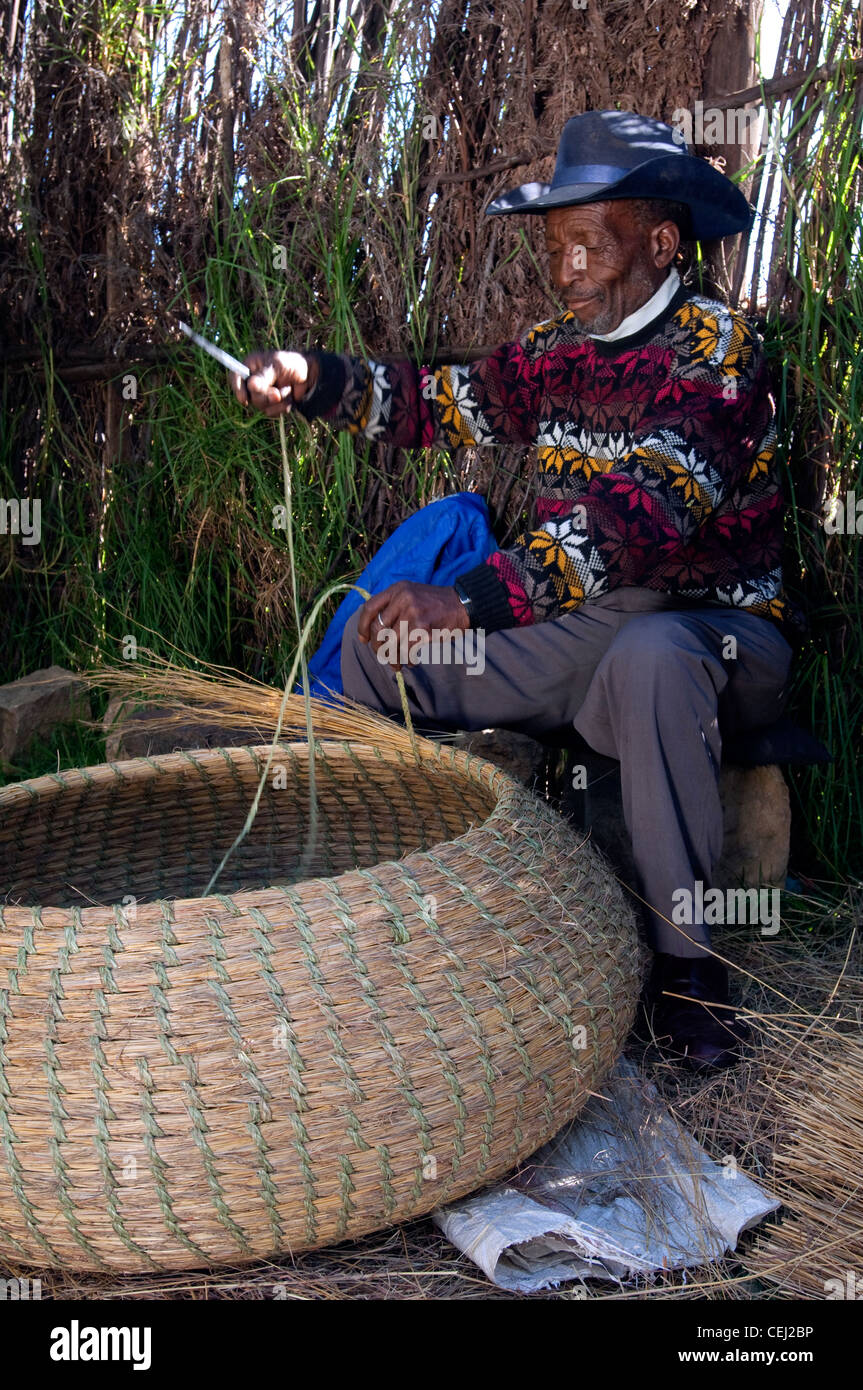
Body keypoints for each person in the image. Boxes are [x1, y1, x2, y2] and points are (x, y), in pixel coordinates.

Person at [233, 109, 799, 1071]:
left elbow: (637, 517)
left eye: (589, 244)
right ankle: (385, 919)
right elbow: (439, 405)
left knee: (650, 652)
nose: (566, 270)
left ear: (661, 244)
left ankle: (688, 976)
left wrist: (469, 602)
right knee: (377, 650)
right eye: (555, 247)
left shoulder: (717, 351)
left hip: (711, 639)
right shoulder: (553, 349)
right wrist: (317, 379)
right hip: (576, 635)